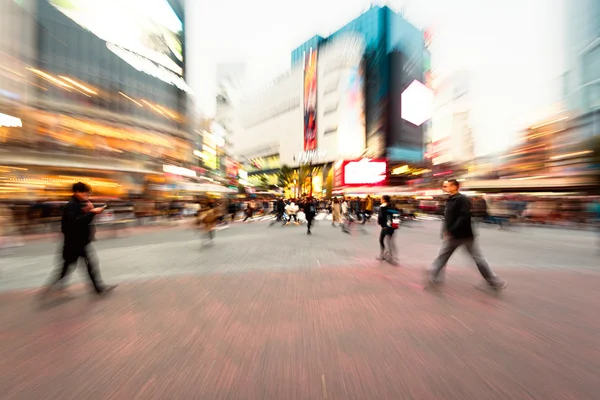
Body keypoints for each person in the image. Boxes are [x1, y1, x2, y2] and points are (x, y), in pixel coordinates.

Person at [40, 182, 116, 299]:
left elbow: (81, 220)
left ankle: (51, 289)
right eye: (85, 192)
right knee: (76, 267)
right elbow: (75, 223)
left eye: (88, 193)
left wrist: (90, 211)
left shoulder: (78, 204)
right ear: (76, 192)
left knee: (73, 267)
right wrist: (91, 213)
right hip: (74, 243)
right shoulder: (71, 205)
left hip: (78, 242)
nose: (87, 195)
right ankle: (98, 288)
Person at [428, 179, 507, 290]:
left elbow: (463, 217)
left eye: (446, 186)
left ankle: (495, 281)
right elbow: (448, 218)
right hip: (454, 235)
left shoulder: (461, 199)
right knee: (443, 256)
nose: (443, 188)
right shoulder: (451, 199)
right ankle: (433, 275)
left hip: (464, 235)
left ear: (454, 187)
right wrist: (445, 231)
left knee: (477, 259)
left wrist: (451, 230)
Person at [377, 195, 400, 264]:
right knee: (390, 241)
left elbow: (381, 217)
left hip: (385, 227)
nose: (380, 200)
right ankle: (392, 256)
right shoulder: (393, 206)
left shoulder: (383, 207)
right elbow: (397, 215)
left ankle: (385, 255)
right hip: (392, 227)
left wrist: (380, 223)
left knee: (382, 240)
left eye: (381, 199)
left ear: (384, 200)